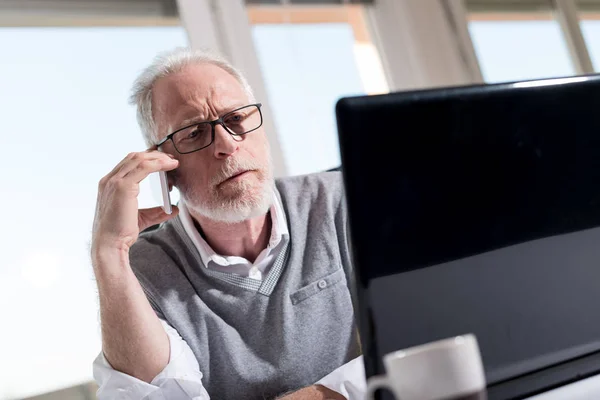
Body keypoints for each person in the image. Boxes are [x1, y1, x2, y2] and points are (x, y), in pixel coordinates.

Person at [91, 47, 364, 400]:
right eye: (193, 133)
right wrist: (108, 253)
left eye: (236, 118)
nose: (226, 144)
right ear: (162, 165)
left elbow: (424, 340)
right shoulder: (140, 272)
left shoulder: (344, 199)